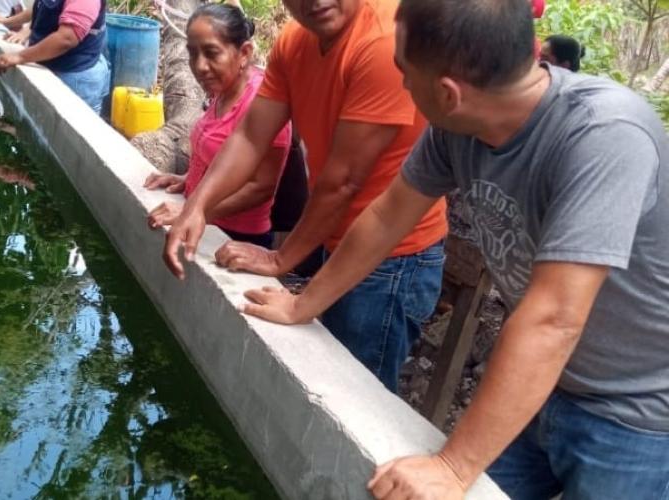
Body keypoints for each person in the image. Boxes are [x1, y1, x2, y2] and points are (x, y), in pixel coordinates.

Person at [238, 0, 669, 498]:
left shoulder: (604, 136)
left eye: (404, 71)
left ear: (447, 92)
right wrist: (302, 305)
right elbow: (385, 217)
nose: (401, 83)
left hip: (634, 413)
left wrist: (453, 466)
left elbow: (554, 318)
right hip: (542, 384)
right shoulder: (456, 127)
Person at [162, 0, 448, 394]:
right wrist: (196, 207)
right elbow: (251, 135)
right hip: (340, 238)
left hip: (392, 257)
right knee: (332, 374)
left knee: (354, 393)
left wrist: (280, 259)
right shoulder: (295, 40)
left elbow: (343, 181)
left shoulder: (382, 42)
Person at [143, 4, 292, 249]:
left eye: (211, 53)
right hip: (205, 221)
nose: (200, 66)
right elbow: (216, 156)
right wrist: (188, 179)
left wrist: (193, 211)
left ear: (244, 53)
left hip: (234, 237)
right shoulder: (224, 88)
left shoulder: (261, 103)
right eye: (193, 54)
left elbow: (261, 187)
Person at [0, 0, 110, 114]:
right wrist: (6, 21)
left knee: (72, 125)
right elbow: (41, 7)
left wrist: (19, 56)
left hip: (76, 75)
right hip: (57, 66)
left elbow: (66, 39)